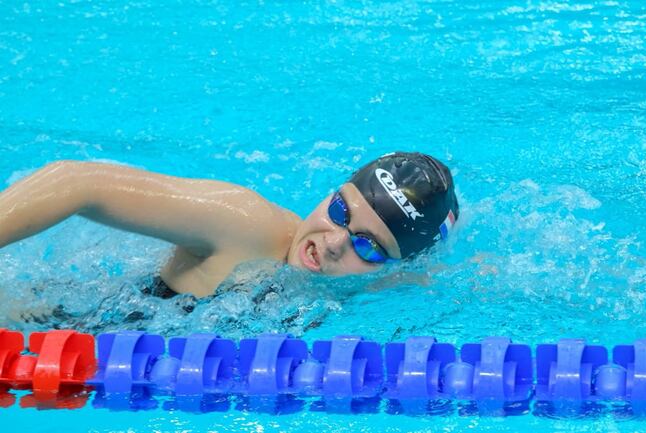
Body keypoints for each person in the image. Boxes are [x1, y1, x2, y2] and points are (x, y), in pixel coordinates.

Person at [0, 152, 459, 298]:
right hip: (62, 337)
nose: (334, 243)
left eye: (370, 248)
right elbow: (79, 181)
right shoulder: (246, 226)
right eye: (340, 211)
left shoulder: (387, 285)